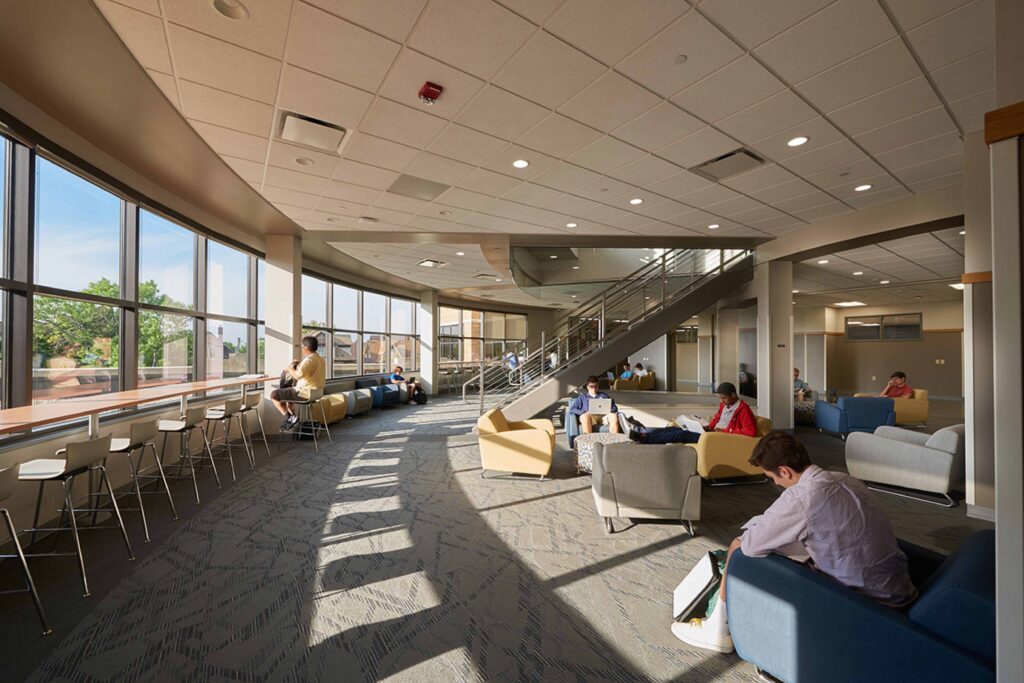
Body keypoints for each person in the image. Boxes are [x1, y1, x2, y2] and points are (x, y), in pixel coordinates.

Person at [671, 432, 917, 653]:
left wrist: (753, 533)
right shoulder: (845, 479)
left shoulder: (802, 497)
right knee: (791, 548)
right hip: (897, 587)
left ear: (785, 471)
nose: (775, 484)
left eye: (771, 477)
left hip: (866, 601)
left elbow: (751, 545)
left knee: (738, 549)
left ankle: (717, 628)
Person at [627, 382, 755, 445]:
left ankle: (646, 439)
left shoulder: (744, 410)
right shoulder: (725, 405)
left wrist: (727, 432)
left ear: (733, 395)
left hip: (720, 438)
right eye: (720, 398)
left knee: (682, 435)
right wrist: (708, 427)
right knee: (673, 428)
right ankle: (641, 430)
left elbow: (750, 432)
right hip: (712, 433)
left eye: (724, 398)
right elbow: (717, 418)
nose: (722, 401)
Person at [270, 335, 326, 430]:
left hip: (305, 393)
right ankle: (292, 417)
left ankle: (289, 417)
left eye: (302, 347)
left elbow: (298, 375)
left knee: (274, 394)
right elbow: (308, 372)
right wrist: (298, 365)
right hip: (317, 393)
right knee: (287, 392)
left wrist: (289, 368)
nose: (302, 349)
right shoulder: (320, 359)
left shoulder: (309, 360)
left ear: (306, 347)